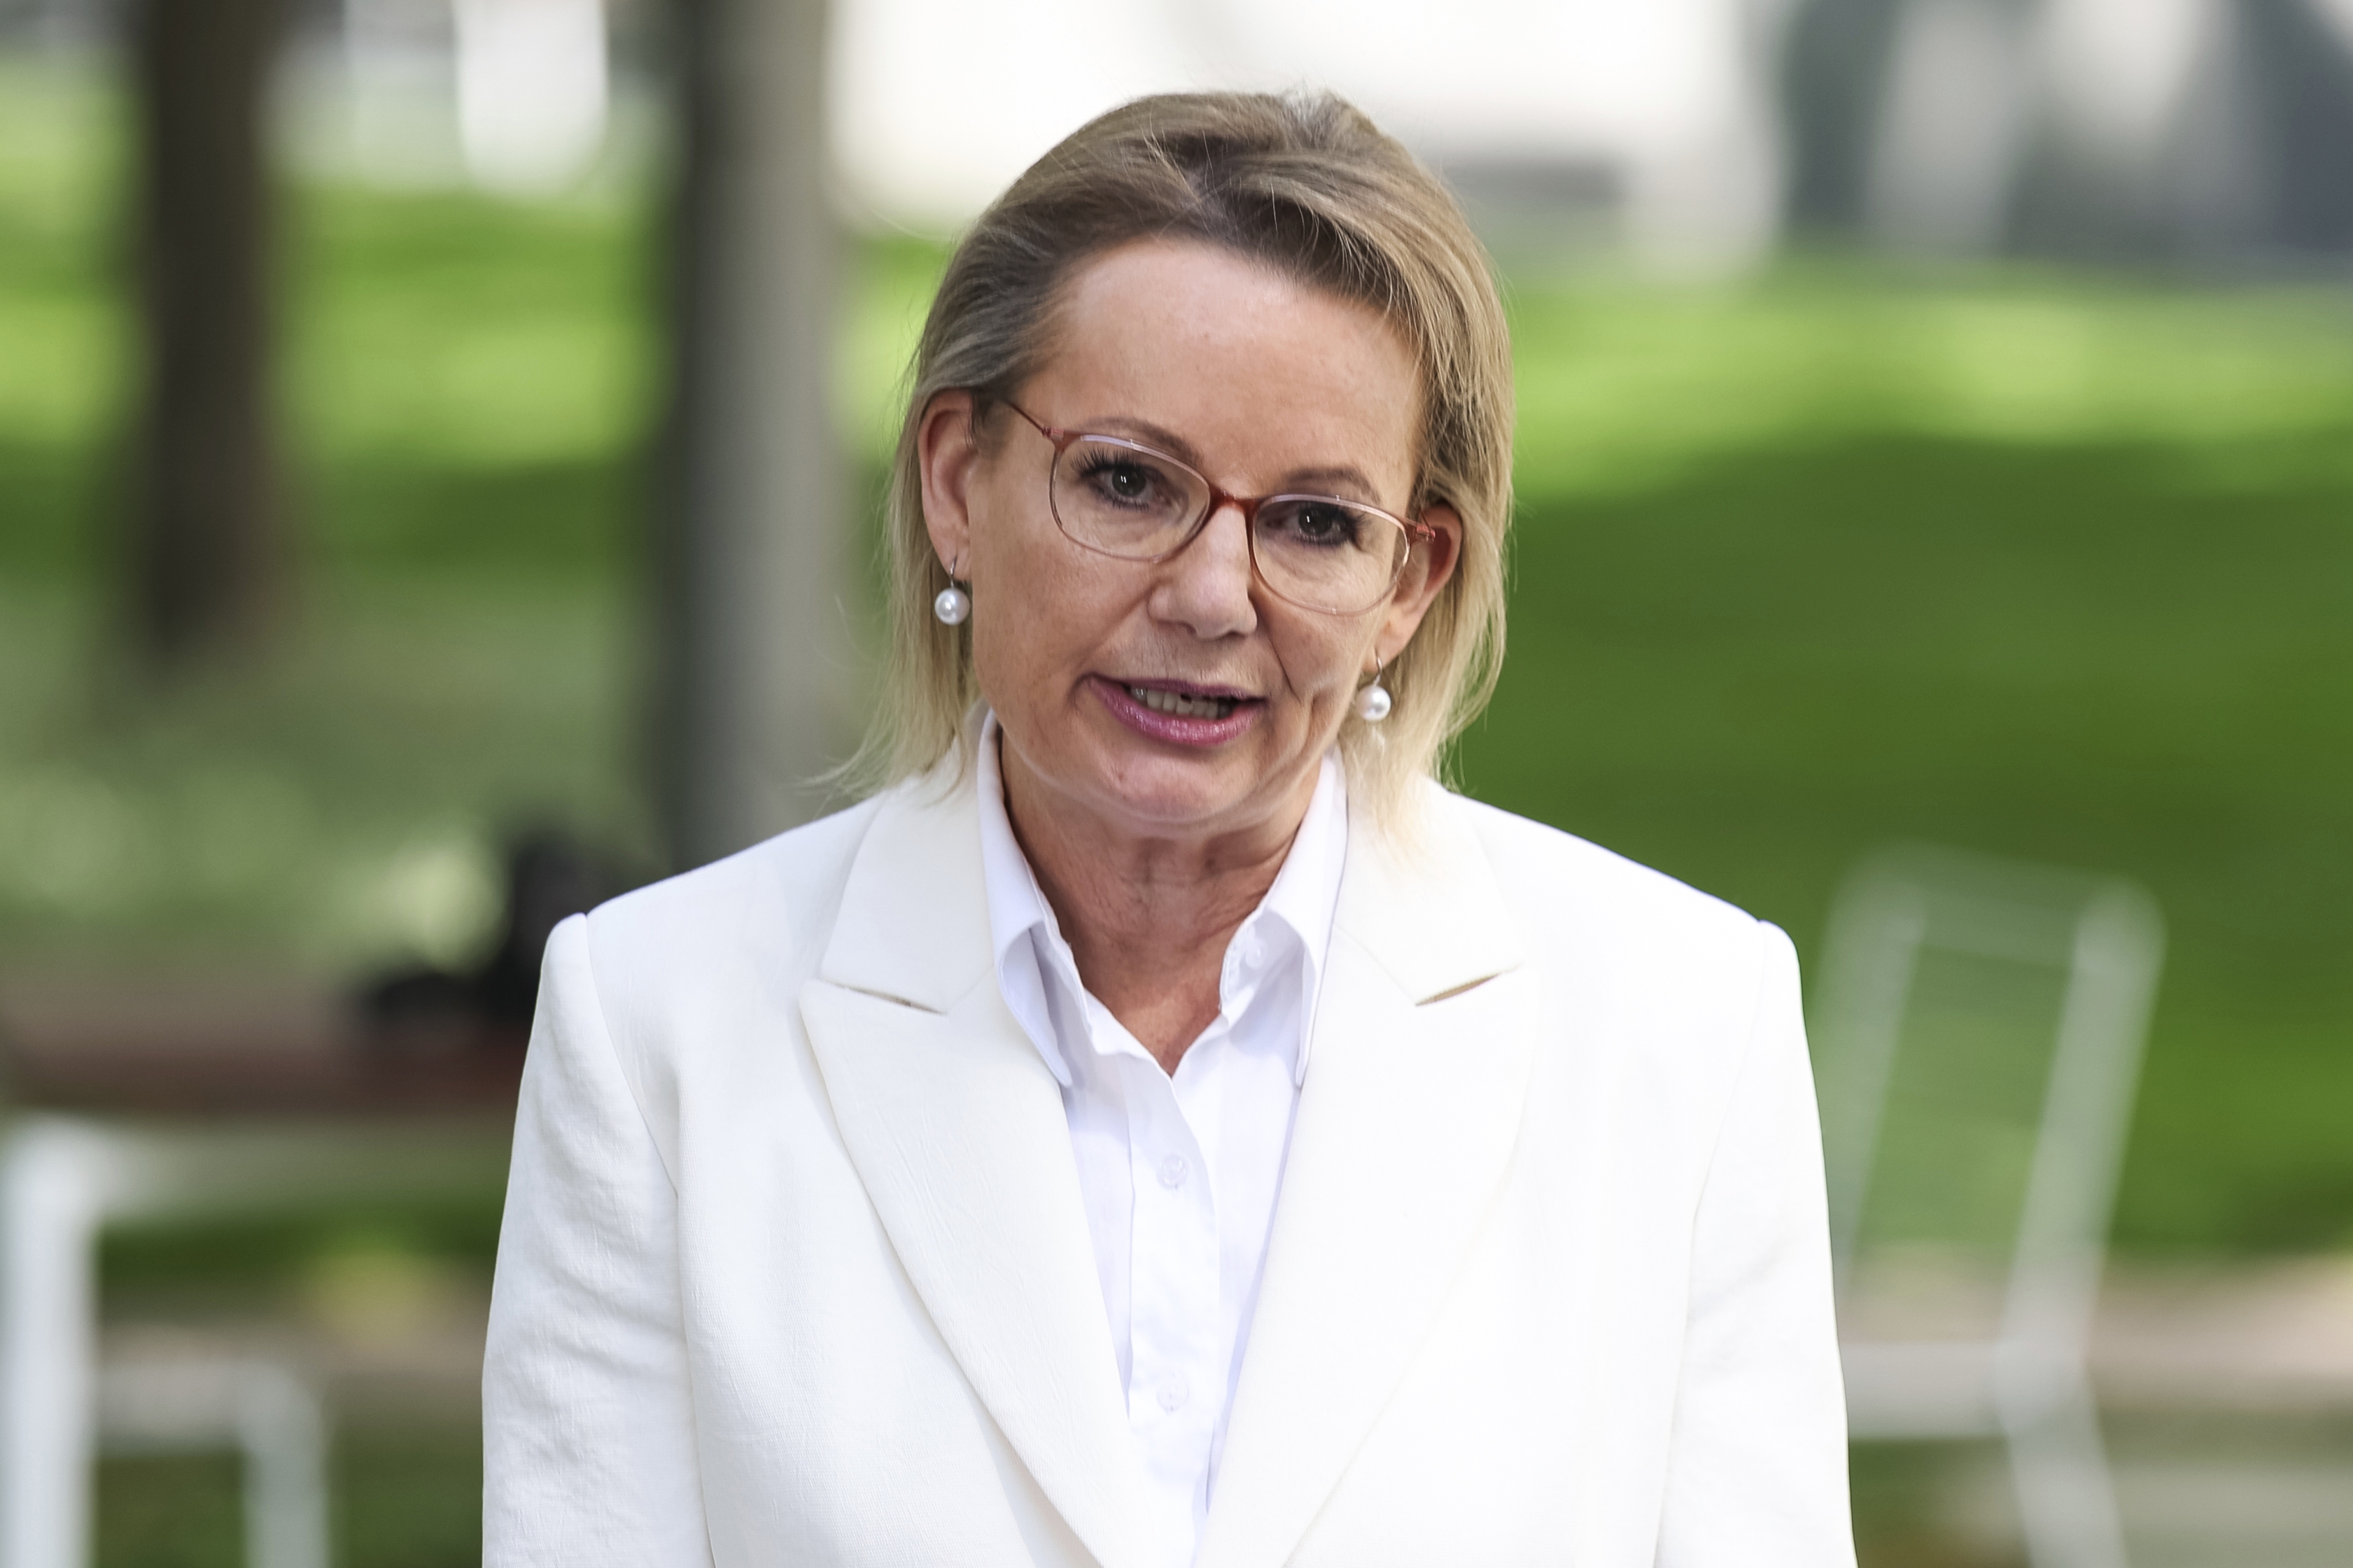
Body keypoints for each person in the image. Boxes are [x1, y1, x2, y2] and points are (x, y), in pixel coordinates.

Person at [483, 91, 1853, 1568]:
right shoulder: (655, 1023)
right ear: (960, 483)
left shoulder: (1680, 1029)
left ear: (1411, 580)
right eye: (1128, 482)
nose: (1212, 595)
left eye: (1316, 521)